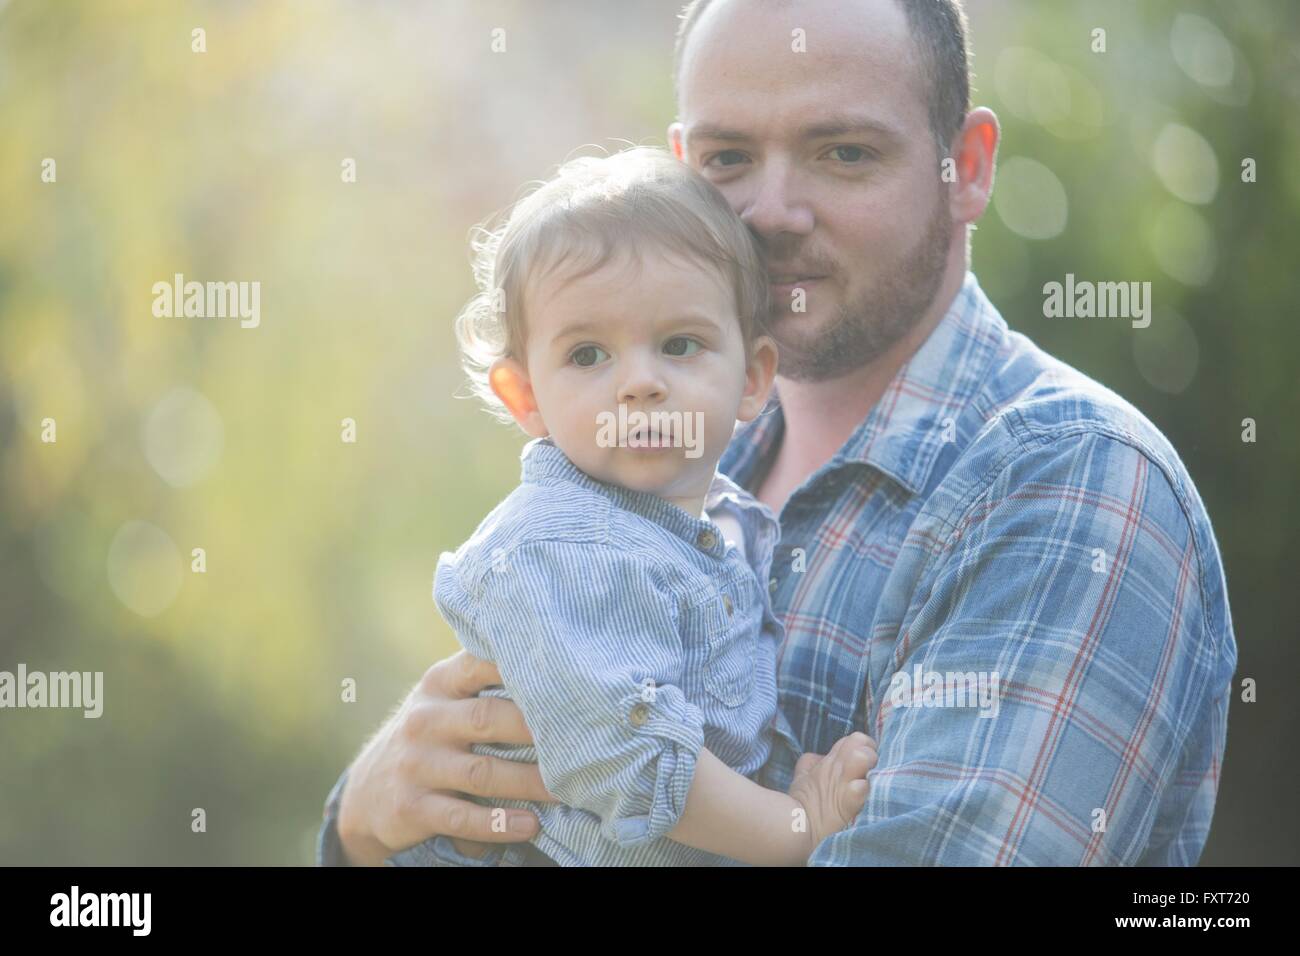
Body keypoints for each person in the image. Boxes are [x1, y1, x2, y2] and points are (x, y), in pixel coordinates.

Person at [319, 0, 1236, 867]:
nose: (772, 213)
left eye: (842, 152)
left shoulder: (1067, 483)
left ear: (970, 165)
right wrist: (363, 821)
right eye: (727, 159)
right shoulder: (661, 473)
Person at [385, 146, 876, 867]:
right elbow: (624, 754)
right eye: (588, 355)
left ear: (751, 378)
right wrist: (792, 824)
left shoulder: (719, 527)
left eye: (680, 344)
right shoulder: (559, 551)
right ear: (525, 397)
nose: (639, 383)